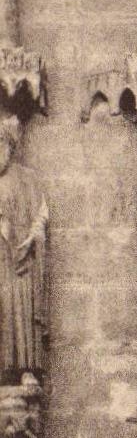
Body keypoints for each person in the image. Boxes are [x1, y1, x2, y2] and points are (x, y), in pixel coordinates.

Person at [0, 116, 47, 383]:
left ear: (10, 145)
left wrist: (32, 238)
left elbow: (41, 214)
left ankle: (26, 369)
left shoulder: (27, 179)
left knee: (21, 309)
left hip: (20, 259)